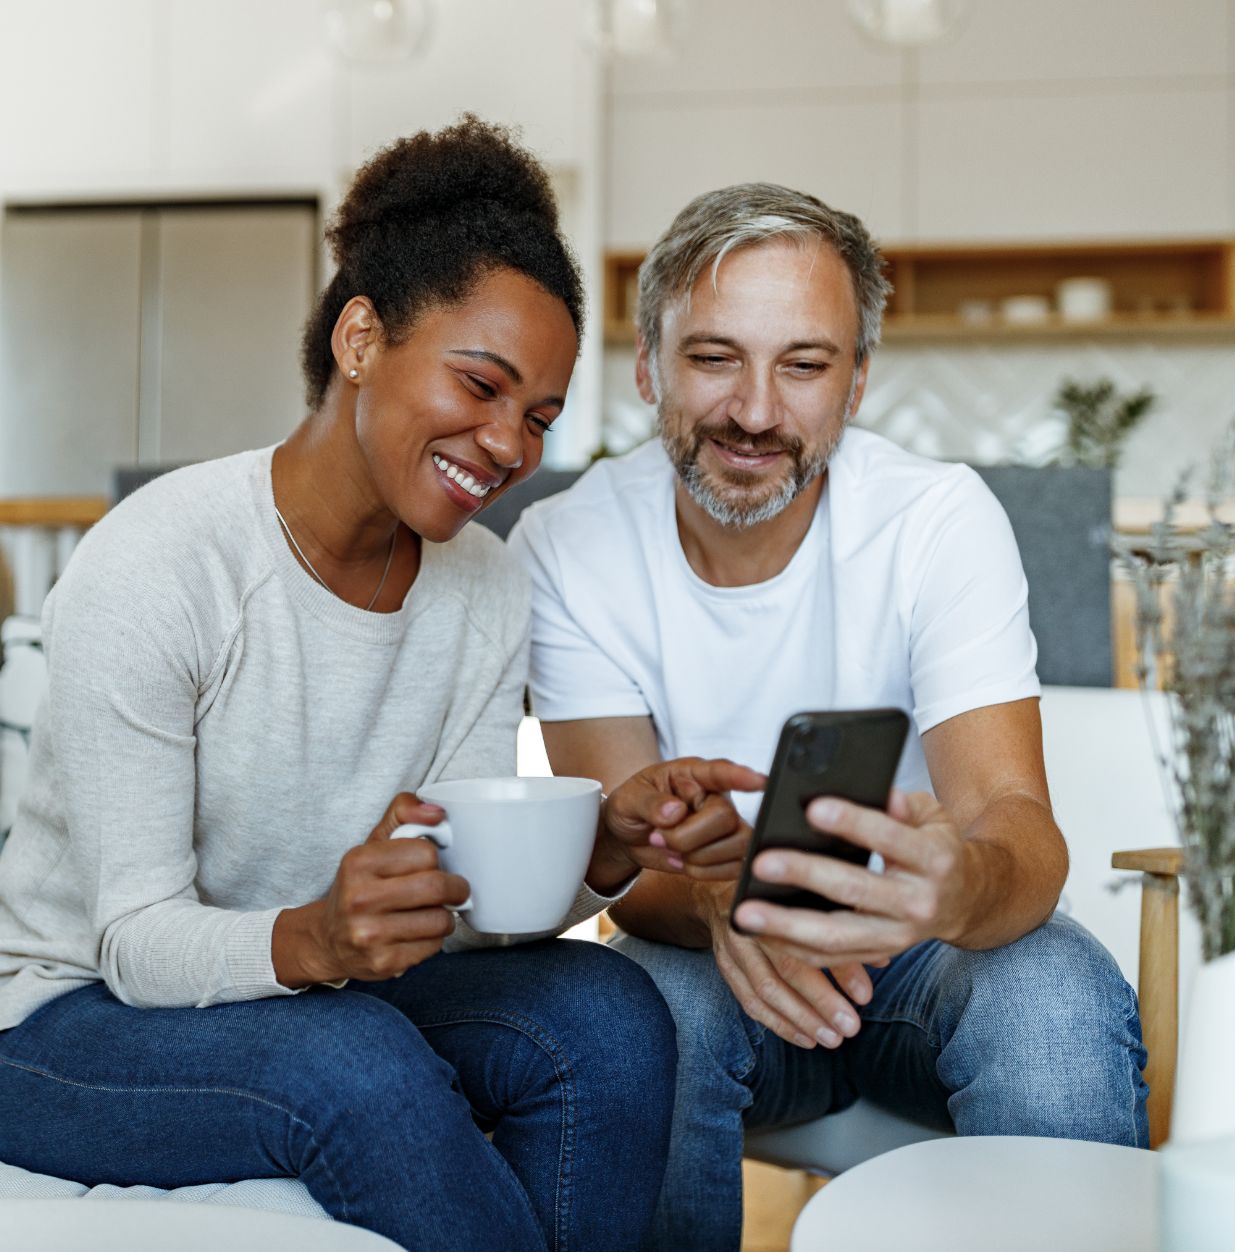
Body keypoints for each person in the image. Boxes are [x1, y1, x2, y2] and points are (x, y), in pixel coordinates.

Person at [0, 119, 764, 1252]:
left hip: (332, 987)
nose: (507, 443)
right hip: (76, 1020)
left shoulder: (486, 587)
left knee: (608, 1016)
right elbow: (136, 940)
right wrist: (314, 939)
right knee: (353, 1064)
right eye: (481, 384)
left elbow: (451, 905)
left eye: (540, 416)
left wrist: (605, 851)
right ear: (361, 337)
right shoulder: (163, 561)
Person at [508, 182, 1149, 1250]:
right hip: (705, 964)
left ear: (855, 385)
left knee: (1049, 990)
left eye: (803, 365)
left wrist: (958, 882)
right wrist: (721, 898)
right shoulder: (567, 548)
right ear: (646, 366)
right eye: (714, 357)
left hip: (911, 953)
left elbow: (1017, 829)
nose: (755, 411)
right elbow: (626, 856)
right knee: (640, 1016)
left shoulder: (936, 520)